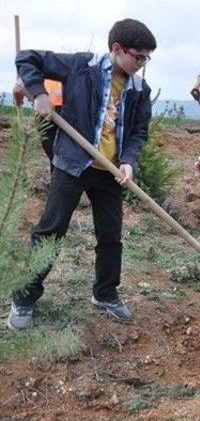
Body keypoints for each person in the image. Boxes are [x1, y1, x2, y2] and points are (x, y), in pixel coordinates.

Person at [8, 18, 157, 330]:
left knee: (111, 234)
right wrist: (38, 93)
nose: (142, 64)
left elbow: (138, 132)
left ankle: (105, 293)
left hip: (110, 172)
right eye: (138, 57)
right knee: (51, 230)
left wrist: (129, 160)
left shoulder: (140, 90)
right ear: (117, 49)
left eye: (146, 58)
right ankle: (24, 297)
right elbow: (27, 58)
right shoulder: (81, 67)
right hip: (73, 163)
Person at [13, 79, 63, 172]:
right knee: (60, 162)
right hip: (47, 107)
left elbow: (19, 85)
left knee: (59, 162)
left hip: (47, 106)